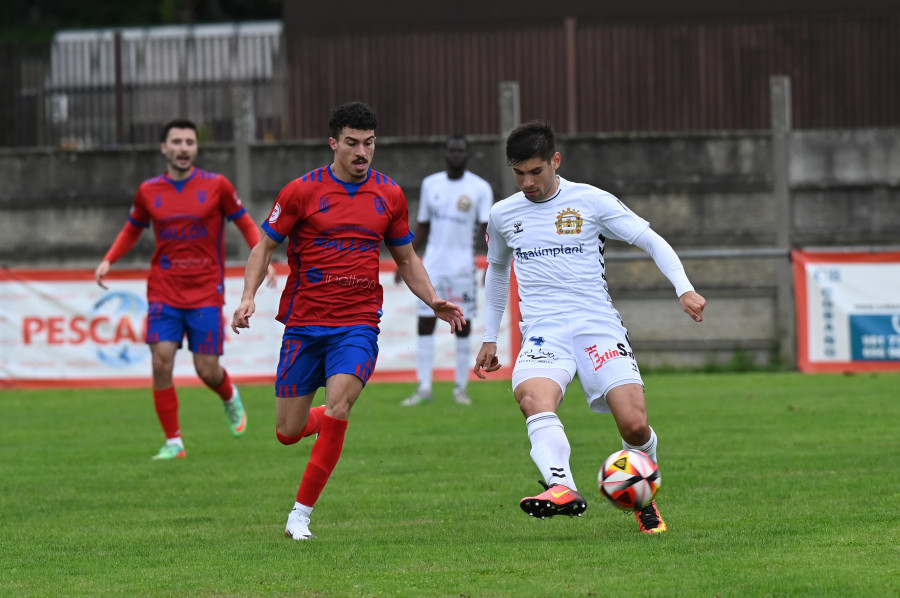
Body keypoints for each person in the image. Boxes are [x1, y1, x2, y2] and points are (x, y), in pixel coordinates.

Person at [231, 101, 465, 541]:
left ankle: (300, 514)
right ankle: (320, 420)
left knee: (341, 405)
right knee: (288, 431)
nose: (362, 152)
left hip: (357, 324)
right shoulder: (301, 191)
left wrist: (433, 300)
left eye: (369, 143)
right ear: (334, 143)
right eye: (353, 144)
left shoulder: (389, 195)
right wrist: (247, 296)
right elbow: (264, 247)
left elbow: (406, 257)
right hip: (303, 324)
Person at [473, 121, 706, 534]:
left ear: (555, 161)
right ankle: (561, 487)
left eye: (535, 171)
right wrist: (490, 336)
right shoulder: (504, 214)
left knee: (634, 425)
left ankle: (643, 498)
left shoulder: (591, 201)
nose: (527, 182)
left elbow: (650, 239)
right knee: (533, 399)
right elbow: (495, 272)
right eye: (518, 172)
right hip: (544, 332)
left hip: (596, 327)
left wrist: (683, 289)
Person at [94, 118, 276, 461]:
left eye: (189, 142)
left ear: (196, 148)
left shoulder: (217, 185)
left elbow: (245, 222)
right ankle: (174, 441)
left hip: (206, 291)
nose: (183, 148)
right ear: (164, 148)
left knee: (206, 369)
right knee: (161, 362)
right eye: (176, 142)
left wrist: (263, 258)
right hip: (164, 290)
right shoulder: (149, 190)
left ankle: (228, 395)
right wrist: (109, 260)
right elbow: (132, 229)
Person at [398, 135, 494, 406]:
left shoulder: (480, 188)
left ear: (467, 154)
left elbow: (488, 231)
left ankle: (460, 388)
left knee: (462, 324)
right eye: (451, 151)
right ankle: (424, 387)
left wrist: (490, 263)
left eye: (460, 151)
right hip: (432, 267)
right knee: (425, 322)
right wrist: (405, 258)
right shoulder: (431, 185)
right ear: (445, 154)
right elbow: (424, 226)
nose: (456, 155)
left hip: (462, 267)